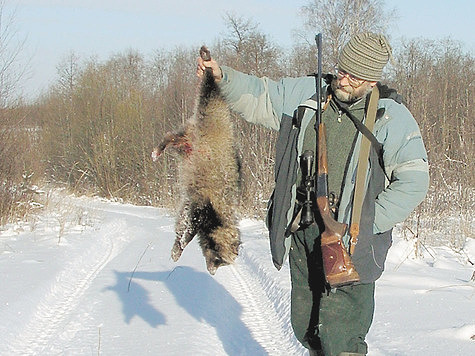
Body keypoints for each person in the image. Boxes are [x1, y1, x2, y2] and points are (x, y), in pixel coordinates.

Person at [197, 33, 429, 356]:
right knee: (306, 326)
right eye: (341, 69)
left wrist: (364, 223)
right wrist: (223, 78)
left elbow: (415, 182)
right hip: (304, 230)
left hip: (350, 243)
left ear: (372, 80)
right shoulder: (312, 93)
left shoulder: (391, 117)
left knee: (342, 337)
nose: (342, 79)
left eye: (353, 75)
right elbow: (264, 95)